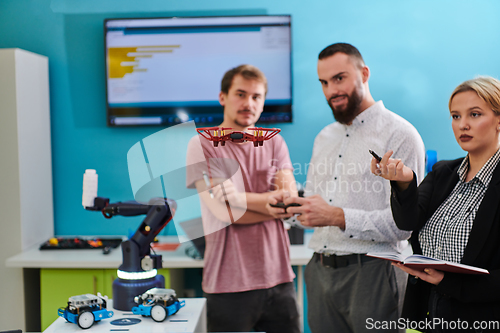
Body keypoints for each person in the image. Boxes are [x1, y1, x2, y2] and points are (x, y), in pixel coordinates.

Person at [267, 43, 426, 333]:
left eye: (339, 78)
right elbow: (318, 208)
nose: (331, 91)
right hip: (319, 274)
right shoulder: (324, 137)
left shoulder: (401, 135)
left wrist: (336, 216)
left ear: (364, 74)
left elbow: (405, 226)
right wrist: (290, 208)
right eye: (324, 83)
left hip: (374, 275)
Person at [371, 76, 500, 332]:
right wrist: (405, 181)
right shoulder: (443, 173)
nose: (463, 124)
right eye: (455, 116)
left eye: (474, 114)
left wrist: (447, 282)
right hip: (426, 314)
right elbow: (408, 222)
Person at [185, 64, 300, 333]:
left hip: (279, 281)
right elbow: (226, 215)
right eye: (240, 93)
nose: (248, 102)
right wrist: (274, 205)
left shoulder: (274, 143)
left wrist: (238, 197)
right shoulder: (201, 144)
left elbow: (291, 202)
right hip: (228, 286)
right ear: (223, 97)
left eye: (256, 96)